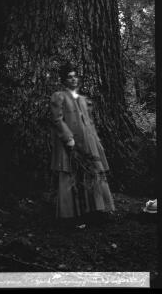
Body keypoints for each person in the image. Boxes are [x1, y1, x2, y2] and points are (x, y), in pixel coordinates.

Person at [50, 63, 115, 226]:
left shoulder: (83, 99)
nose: (73, 79)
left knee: (93, 172)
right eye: (69, 77)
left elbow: (90, 123)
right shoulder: (59, 96)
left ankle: (97, 210)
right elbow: (57, 120)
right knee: (71, 174)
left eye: (75, 76)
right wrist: (68, 139)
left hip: (88, 141)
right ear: (64, 80)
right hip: (70, 142)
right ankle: (73, 216)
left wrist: (97, 142)